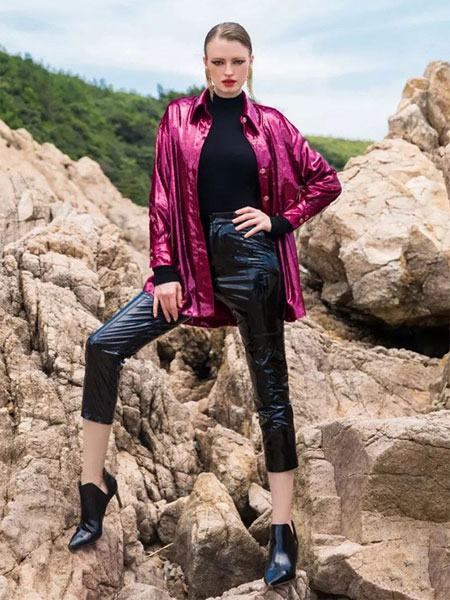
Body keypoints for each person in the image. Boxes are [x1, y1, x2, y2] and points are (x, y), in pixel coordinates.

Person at [68, 22, 342, 588]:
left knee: (272, 397)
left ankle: (282, 531)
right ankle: (93, 487)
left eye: (237, 61)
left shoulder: (272, 125)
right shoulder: (177, 119)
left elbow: (325, 181)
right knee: (103, 345)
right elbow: (162, 198)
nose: (228, 72)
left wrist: (280, 221)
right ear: (205, 64)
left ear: (251, 62)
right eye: (218, 62)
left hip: (253, 265)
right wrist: (164, 271)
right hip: (189, 266)